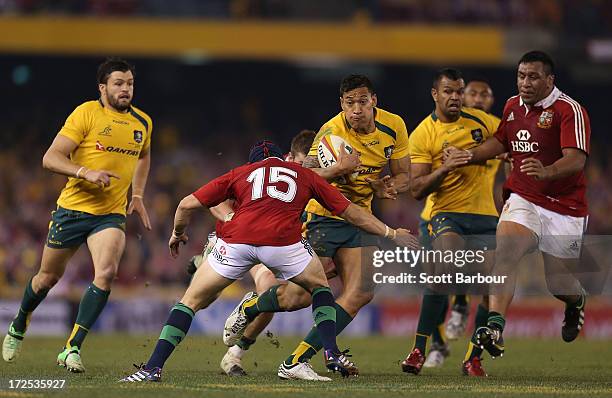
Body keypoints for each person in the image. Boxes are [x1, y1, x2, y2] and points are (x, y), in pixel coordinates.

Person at [120, 141, 418, 382]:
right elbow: (351, 212)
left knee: (189, 302)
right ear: (284, 160)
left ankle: (152, 368)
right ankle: (331, 352)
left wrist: (177, 234)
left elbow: (187, 204)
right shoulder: (304, 174)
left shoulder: (240, 172)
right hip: (282, 244)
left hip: (237, 242)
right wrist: (390, 232)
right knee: (320, 287)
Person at [243, 74, 410, 381]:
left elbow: (404, 176)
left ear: (374, 101)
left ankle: (297, 360)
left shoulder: (394, 126)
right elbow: (306, 176)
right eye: (349, 104)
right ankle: (252, 306)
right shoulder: (331, 131)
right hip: (323, 216)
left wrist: (386, 186)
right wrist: (338, 169)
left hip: (360, 217)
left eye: (362, 102)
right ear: (341, 105)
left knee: (361, 292)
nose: (356, 110)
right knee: (298, 296)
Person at [2, 58, 152, 373]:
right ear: (103, 88)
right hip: (72, 210)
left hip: (109, 215)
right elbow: (50, 157)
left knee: (106, 273)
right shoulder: (86, 113)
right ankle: (18, 323)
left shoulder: (143, 123)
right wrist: (85, 172)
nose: (125, 89)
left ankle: (71, 348)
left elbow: (144, 156)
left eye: (130, 83)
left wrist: (137, 195)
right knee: (46, 279)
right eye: (118, 83)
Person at [449, 51, 590, 373]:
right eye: (521, 76)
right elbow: (501, 142)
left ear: (549, 80)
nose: (525, 83)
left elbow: (577, 159)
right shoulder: (512, 106)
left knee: (558, 283)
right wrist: (467, 156)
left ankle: (575, 300)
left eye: (533, 77)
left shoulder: (569, 110)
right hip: (524, 198)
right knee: (506, 254)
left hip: (565, 209)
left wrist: (549, 171)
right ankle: (495, 326)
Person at [400, 69, 500, 377]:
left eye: (459, 91)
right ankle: (419, 348)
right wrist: (444, 168)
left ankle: (473, 358)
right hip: (446, 215)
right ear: (435, 94)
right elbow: (416, 189)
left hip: (486, 216)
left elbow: (510, 139)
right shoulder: (422, 134)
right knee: (445, 270)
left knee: (488, 290)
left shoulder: (483, 122)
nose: (454, 97)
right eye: (448, 92)